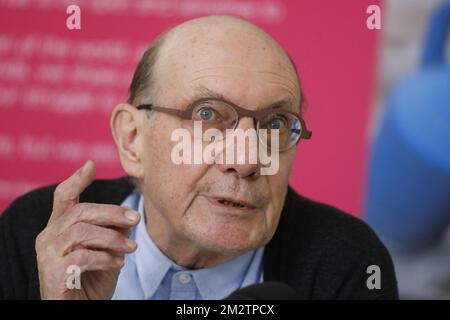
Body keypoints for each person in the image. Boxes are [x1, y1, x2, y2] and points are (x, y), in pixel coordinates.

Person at [0, 15, 398, 300]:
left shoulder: (348, 262)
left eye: (275, 124)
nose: (246, 162)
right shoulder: (37, 236)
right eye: (207, 115)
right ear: (133, 139)